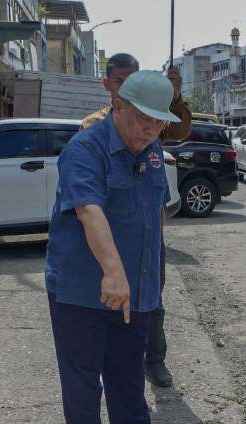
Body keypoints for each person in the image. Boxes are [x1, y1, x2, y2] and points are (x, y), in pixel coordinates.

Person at [46, 71, 182, 424]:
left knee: (126, 369)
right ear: (118, 106)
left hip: (135, 289)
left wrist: (146, 275)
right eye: (144, 118)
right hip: (84, 288)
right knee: (83, 375)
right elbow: (89, 210)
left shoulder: (153, 149)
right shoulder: (86, 149)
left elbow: (153, 213)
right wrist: (114, 271)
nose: (151, 129)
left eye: (160, 122)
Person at [82, 53, 192, 388]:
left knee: (151, 301)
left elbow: (180, 129)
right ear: (108, 86)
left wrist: (172, 97)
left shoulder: (152, 128)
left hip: (147, 234)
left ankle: (154, 359)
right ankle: (112, 368)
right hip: (113, 235)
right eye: (120, 83)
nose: (147, 127)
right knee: (111, 303)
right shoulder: (94, 127)